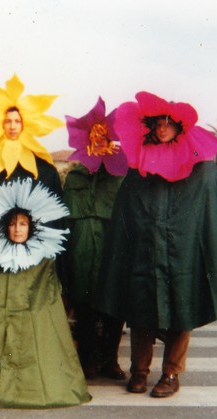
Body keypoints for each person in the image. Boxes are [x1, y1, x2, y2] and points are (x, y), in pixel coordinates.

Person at [96, 92, 217, 398]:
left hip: (183, 254)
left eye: (168, 122)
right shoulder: (138, 163)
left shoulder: (202, 168)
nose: (163, 127)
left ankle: (171, 373)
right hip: (145, 252)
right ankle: (139, 371)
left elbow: (208, 213)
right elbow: (128, 209)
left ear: (180, 125)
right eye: (157, 122)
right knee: (141, 311)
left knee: (183, 309)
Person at [0, 180, 91, 408]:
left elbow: (48, 296)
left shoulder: (43, 258)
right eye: (12, 224)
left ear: (31, 226)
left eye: (23, 223)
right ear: (4, 227)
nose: (18, 229)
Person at [63, 97, 128, 380]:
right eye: (94, 137)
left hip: (111, 253)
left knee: (113, 308)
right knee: (85, 308)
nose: (99, 142)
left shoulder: (119, 176)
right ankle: (86, 358)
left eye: (104, 138)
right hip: (80, 254)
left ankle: (110, 360)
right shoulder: (74, 177)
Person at [0, 74, 63, 198]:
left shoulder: (42, 165)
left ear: (24, 124)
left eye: (17, 121)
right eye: (8, 121)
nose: (12, 127)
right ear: (2, 125)